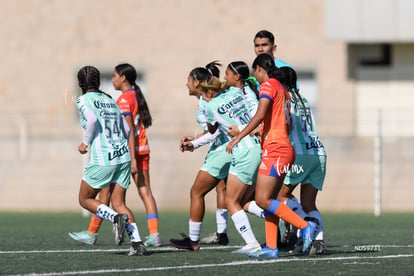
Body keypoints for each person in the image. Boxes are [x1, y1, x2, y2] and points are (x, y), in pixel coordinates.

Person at [226, 54, 316, 258]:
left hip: (276, 149)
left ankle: (304, 226)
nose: (255, 79)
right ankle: (272, 248)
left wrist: (238, 137)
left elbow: (259, 114)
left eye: (254, 73)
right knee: (271, 199)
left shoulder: (268, 85)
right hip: (283, 148)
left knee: (262, 199)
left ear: (259, 69)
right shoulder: (282, 88)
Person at [69, 63, 161, 248]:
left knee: (84, 198)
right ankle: (137, 243)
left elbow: (93, 119)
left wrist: (85, 143)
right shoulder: (110, 99)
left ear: (80, 83)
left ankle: (115, 219)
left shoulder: (83, 100)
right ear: (98, 82)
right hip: (123, 157)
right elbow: (127, 128)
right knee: (119, 202)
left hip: (104, 159)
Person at [169, 63, 233, 252]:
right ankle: (291, 220)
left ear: (197, 82)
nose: (186, 84)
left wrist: (194, 144)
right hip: (235, 148)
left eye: (189, 80)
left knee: (197, 192)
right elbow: (214, 130)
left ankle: (193, 241)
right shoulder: (211, 99)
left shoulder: (206, 103)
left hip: (223, 151)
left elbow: (215, 134)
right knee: (245, 199)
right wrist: (195, 139)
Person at [276, 66, 327, 255]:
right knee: (309, 202)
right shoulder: (302, 97)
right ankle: (318, 241)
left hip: (300, 153)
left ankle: (306, 225)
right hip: (318, 151)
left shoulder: (284, 99)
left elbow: (283, 125)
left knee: (279, 195)